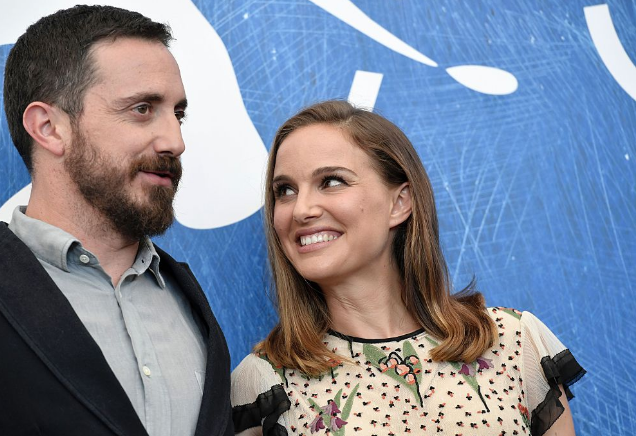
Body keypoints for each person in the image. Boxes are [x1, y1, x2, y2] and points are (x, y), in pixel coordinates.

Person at [231, 100, 585, 435]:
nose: (301, 209)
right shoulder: (264, 381)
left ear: (399, 203)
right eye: (285, 190)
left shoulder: (512, 342)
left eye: (332, 181)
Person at [0, 6, 233, 436]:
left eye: (178, 114)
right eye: (142, 108)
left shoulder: (190, 302)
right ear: (49, 127)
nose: (175, 141)